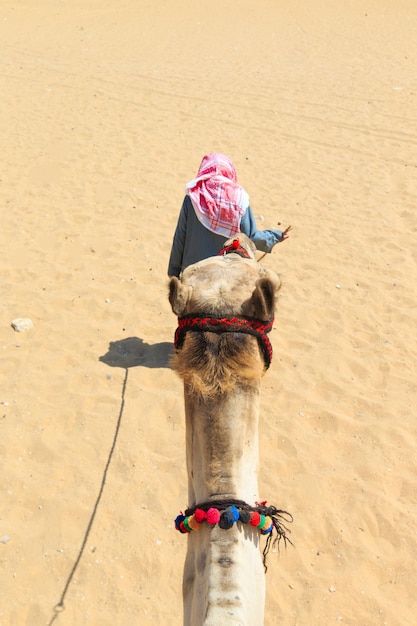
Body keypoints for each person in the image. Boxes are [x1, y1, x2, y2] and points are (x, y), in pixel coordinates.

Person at [167, 152, 289, 277]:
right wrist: (275, 236)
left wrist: (173, 271)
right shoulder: (239, 199)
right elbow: (251, 237)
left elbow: (180, 237)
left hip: (193, 273)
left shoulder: (193, 197)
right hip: (226, 276)